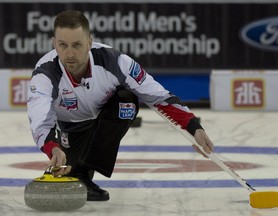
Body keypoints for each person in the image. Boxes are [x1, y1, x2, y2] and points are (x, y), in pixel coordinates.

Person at [27, 10, 214, 202]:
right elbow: (40, 120)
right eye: (63, 45)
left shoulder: (114, 62)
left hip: (102, 122)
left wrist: (193, 126)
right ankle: (79, 171)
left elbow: (158, 96)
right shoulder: (45, 74)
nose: (70, 54)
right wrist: (53, 149)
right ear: (53, 44)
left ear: (89, 42)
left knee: (127, 101)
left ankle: (85, 171)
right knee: (70, 173)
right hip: (70, 128)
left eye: (77, 45)